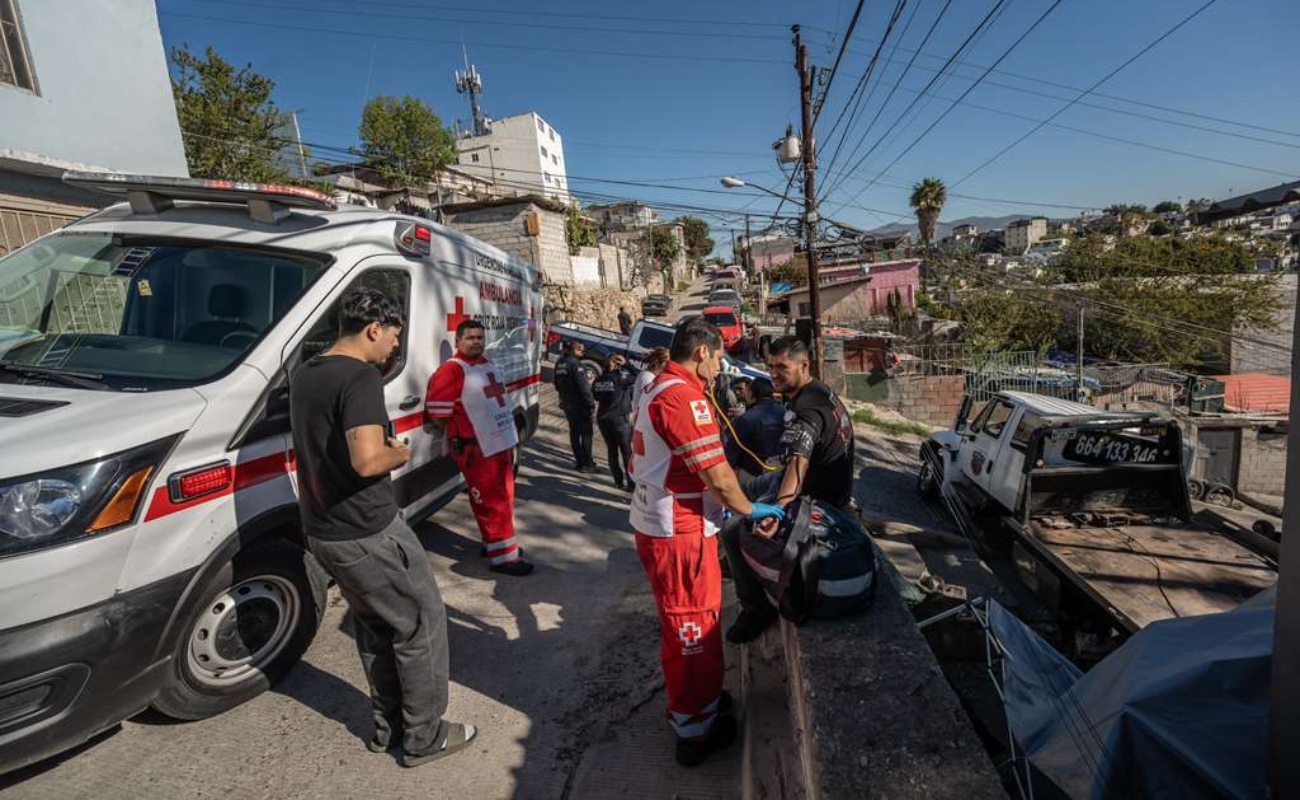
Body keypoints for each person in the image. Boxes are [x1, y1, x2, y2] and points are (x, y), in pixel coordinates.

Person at [289, 288, 475, 767]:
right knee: (420, 624)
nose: (395, 347)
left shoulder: (307, 372)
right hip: (368, 530)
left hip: (324, 530)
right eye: (393, 336)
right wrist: (401, 452)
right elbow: (368, 459)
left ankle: (388, 727)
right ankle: (424, 737)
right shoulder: (359, 378)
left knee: (377, 628)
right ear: (374, 328)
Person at [628, 316, 785, 767]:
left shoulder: (657, 386)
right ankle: (695, 728)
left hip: (664, 524)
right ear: (701, 353)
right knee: (692, 629)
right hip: (680, 532)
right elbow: (717, 475)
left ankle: (702, 704)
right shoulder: (682, 399)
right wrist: (749, 509)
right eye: (718, 358)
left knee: (686, 623)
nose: (720, 368)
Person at [720, 336, 858, 645]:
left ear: (804, 365)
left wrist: (779, 512)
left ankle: (756, 609)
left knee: (731, 529)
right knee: (741, 493)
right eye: (770, 367)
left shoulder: (808, 409)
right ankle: (740, 563)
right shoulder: (816, 391)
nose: (773, 374)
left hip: (817, 496)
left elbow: (798, 463)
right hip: (806, 478)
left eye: (782, 367)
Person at [425, 319, 534, 576]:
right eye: (471, 338)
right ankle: (504, 559)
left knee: (504, 497)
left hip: (500, 442)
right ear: (458, 341)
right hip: (477, 448)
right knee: (491, 501)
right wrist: (459, 434)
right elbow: (439, 412)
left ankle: (496, 544)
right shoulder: (452, 370)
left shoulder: (486, 364)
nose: (476, 342)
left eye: (480, 338)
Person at [723, 377, 786, 482]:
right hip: (782, 472)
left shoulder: (746, 419)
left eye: (746, 390)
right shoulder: (785, 412)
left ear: (751, 394)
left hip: (753, 474)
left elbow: (731, 450)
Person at [592, 353, 638, 492]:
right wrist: (627, 365)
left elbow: (596, 397)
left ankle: (618, 482)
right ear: (618, 365)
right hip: (619, 420)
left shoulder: (598, 380)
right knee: (626, 452)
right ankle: (631, 484)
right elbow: (637, 375)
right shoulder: (620, 377)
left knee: (612, 451)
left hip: (603, 419)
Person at [554, 341, 598, 472]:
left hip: (567, 403)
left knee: (574, 432)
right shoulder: (577, 365)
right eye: (581, 350)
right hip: (580, 404)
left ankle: (579, 462)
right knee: (586, 434)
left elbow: (556, 384)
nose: (583, 353)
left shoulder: (559, 363)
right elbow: (583, 387)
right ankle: (587, 464)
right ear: (575, 350)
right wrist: (591, 403)